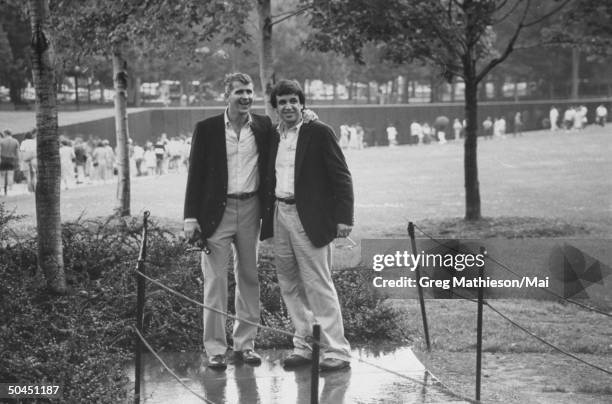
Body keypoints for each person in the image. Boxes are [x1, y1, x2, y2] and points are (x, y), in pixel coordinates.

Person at [183, 72, 274, 371]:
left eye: (250, 92)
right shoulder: (207, 129)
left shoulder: (263, 126)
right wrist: (190, 217)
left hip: (251, 210)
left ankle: (245, 346)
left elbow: (290, 133)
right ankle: (215, 349)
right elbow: (195, 175)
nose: (246, 97)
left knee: (249, 278)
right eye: (240, 92)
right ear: (227, 95)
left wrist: (307, 115)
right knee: (215, 282)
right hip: (214, 215)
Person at [261, 79, 353, 372]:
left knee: (317, 284)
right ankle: (304, 345)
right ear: (275, 107)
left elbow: (342, 176)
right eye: (282, 101)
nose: (288, 106)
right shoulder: (273, 136)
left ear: (302, 103)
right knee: (289, 284)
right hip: (279, 213)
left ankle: (336, 351)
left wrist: (343, 218)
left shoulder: (319, 132)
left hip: (308, 217)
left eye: (293, 100)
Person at [0, 129, 20, 195]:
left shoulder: (2, 141)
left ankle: (2, 188)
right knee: (10, 174)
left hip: (3, 159)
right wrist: (18, 161)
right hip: (12, 159)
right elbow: (17, 153)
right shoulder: (15, 141)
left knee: (2, 175)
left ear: (6, 134)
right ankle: (10, 189)